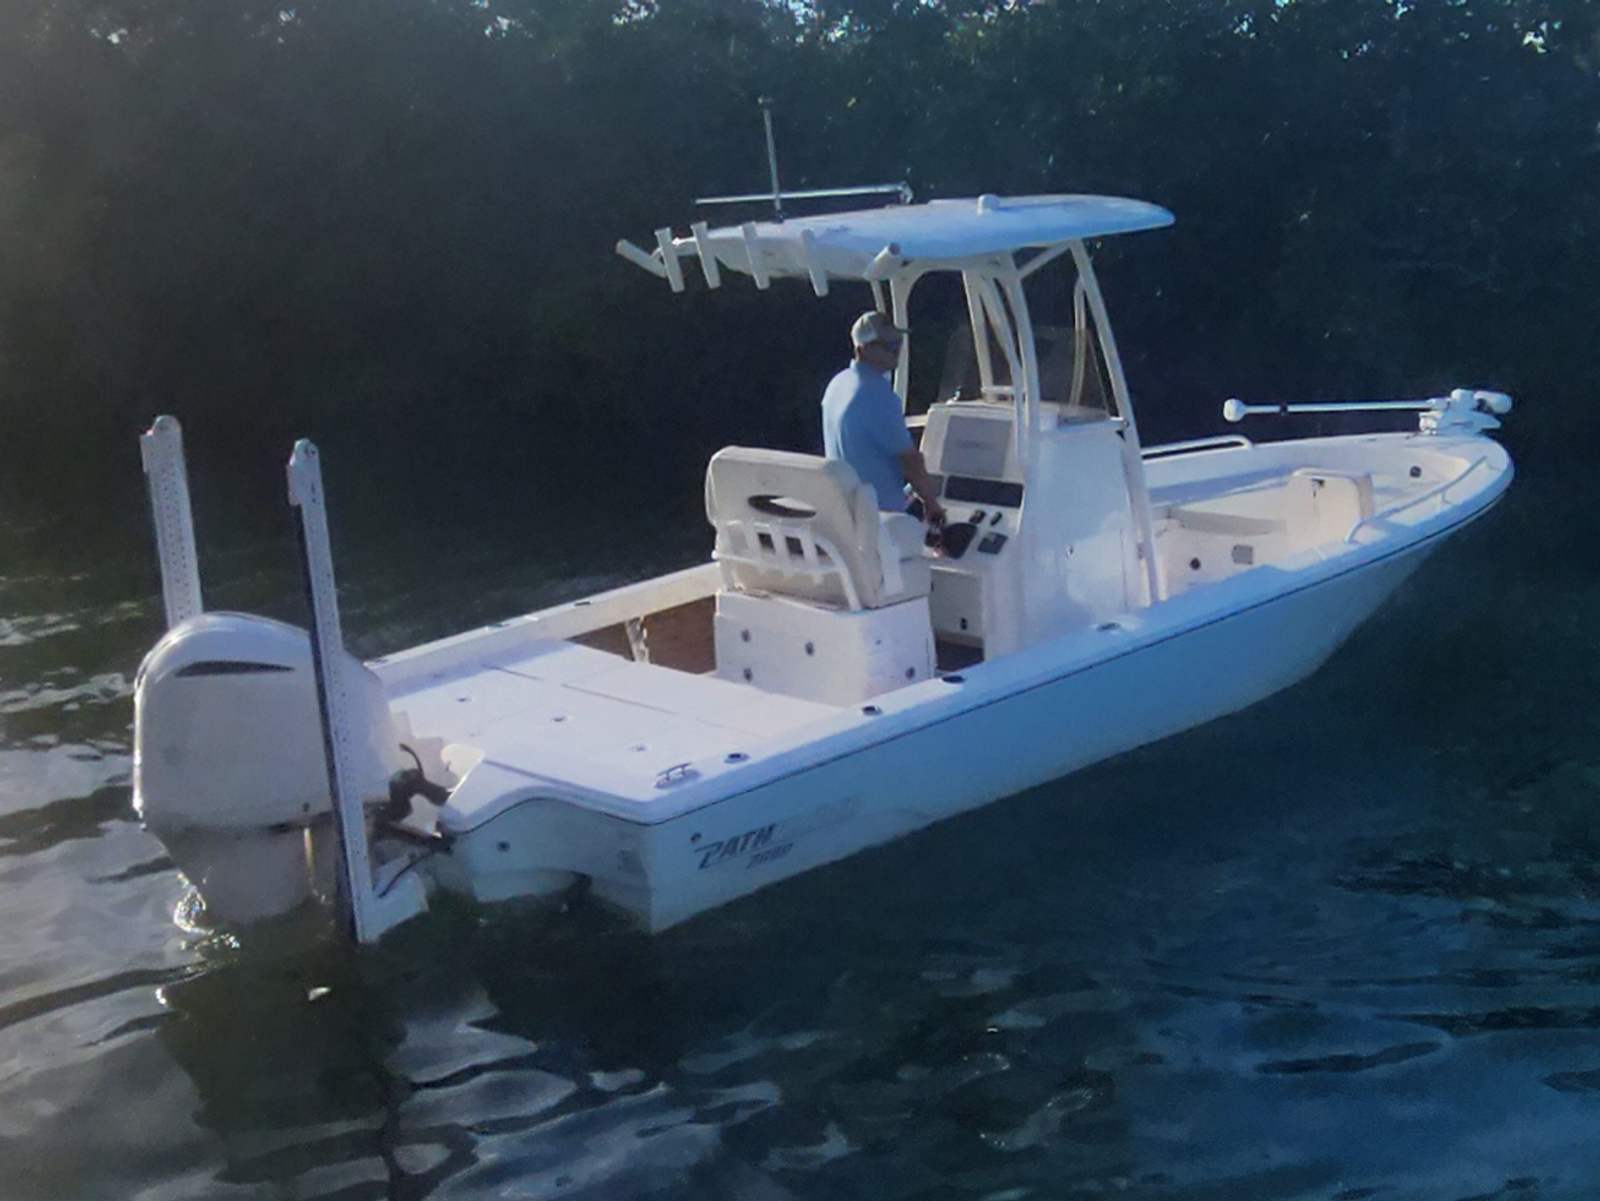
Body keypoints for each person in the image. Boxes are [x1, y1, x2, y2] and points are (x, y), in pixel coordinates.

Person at [820, 311, 947, 526]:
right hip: (880, 521)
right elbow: (911, 461)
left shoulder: (837, 384)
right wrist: (932, 504)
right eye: (887, 345)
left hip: (844, 514)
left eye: (898, 342)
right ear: (863, 349)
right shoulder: (877, 394)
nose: (896, 350)